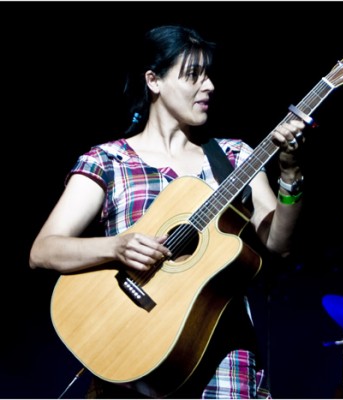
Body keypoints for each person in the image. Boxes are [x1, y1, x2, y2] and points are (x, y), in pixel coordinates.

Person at [29, 24, 306, 399]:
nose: (208, 86)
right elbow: (44, 251)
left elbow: (279, 245)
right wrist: (117, 246)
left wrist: (290, 175)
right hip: (134, 360)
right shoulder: (109, 160)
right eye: (193, 75)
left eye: (209, 75)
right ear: (153, 81)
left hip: (224, 366)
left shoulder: (235, 158)